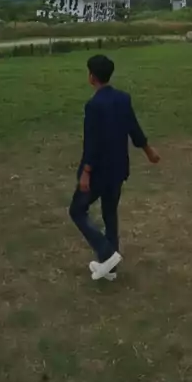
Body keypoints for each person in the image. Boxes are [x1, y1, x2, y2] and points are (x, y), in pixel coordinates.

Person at [69, 54, 160, 281]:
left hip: (98, 171)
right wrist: (148, 150)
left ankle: (107, 253)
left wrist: (86, 172)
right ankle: (110, 269)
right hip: (118, 168)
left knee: (77, 210)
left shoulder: (93, 106)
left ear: (92, 77)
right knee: (110, 213)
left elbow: (92, 142)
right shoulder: (123, 98)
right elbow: (134, 128)